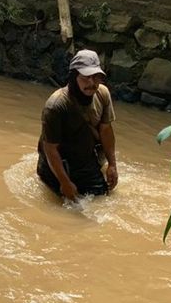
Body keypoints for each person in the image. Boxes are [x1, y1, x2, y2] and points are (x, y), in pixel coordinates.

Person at [37, 49, 118, 200]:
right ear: (74, 77)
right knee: (69, 206)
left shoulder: (103, 94)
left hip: (84, 160)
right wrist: (65, 182)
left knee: (102, 199)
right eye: (86, 77)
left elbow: (106, 130)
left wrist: (112, 165)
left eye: (96, 77)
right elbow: (50, 149)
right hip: (58, 162)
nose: (92, 83)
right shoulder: (56, 106)